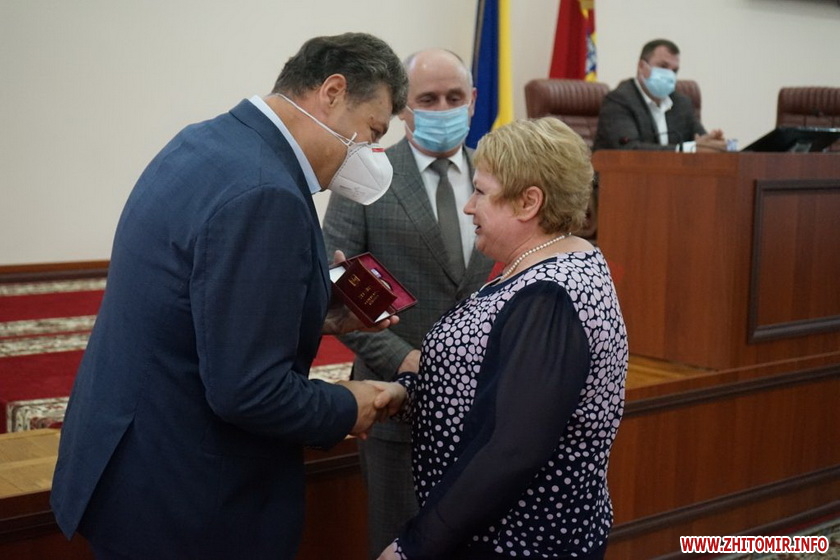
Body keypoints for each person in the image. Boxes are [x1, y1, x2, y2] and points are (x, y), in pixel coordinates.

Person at [50, 32, 408, 560]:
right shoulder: (266, 193)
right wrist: (345, 406)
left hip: (129, 461)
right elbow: (249, 390)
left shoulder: (208, 141)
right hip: (190, 499)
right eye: (373, 132)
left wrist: (316, 312)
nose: (371, 153)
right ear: (332, 92)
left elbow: (198, 300)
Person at [372, 117, 629, 559]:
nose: (469, 207)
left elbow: (512, 449)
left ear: (528, 202)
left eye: (481, 192)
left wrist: (414, 547)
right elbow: (489, 383)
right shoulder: (544, 267)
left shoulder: (549, 296)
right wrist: (410, 392)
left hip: (516, 542)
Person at [322, 48, 496, 559]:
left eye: (454, 97)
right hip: (397, 406)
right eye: (428, 99)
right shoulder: (365, 173)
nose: (443, 108)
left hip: (484, 405)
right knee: (400, 542)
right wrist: (404, 358)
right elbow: (339, 281)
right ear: (403, 107)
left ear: (473, 101)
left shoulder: (495, 175)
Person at [593, 38, 729, 152]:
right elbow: (630, 149)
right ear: (641, 66)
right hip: (620, 174)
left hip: (673, 175)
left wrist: (712, 144)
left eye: (674, 70)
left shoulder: (682, 103)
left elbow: (701, 142)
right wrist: (687, 149)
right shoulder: (618, 100)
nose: (669, 74)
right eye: (663, 66)